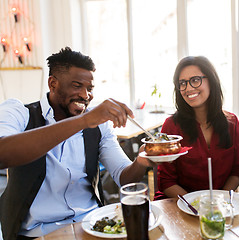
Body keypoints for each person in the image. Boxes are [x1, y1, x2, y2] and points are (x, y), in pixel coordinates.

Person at [0, 47, 153, 239]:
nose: (85, 95)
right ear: (53, 83)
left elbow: (123, 177)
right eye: (76, 85)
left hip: (91, 228)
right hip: (38, 234)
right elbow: (3, 153)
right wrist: (83, 121)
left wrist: (141, 161)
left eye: (89, 89)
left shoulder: (98, 127)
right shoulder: (19, 112)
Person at [155, 56, 239, 199]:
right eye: (182, 83)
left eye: (195, 80)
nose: (188, 88)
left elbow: (237, 171)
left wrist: (217, 201)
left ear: (211, 80)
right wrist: (198, 205)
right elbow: (166, 181)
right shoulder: (171, 126)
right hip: (179, 204)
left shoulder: (232, 122)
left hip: (219, 206)